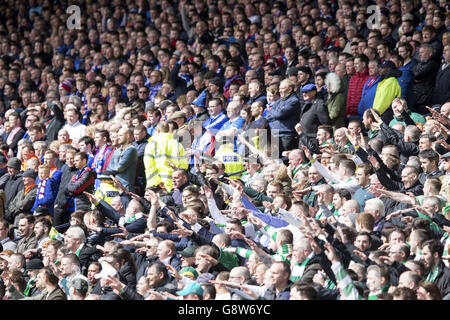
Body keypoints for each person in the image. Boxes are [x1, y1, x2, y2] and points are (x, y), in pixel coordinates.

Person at [143, 122, 188, 192]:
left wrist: (157, 182)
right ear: (168, 130)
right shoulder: (177, 144)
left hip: (157, 186)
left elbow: (149, 166)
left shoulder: (151, 144)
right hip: (175, 184)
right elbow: (184, 165)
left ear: (157, 130)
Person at [105, 128, 137, 192]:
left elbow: (120, 168)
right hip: (116, 187)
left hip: (126, 188)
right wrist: (112, 174)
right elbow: (108, 169)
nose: (118, 138)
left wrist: (111, 170)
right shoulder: (116, 151)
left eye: (120, 135)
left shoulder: (131, 149)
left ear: (127, 136)